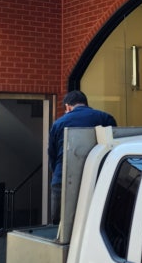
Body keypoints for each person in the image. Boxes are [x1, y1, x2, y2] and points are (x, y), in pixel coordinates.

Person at [48, 90, 116, 224]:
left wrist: (57, 172)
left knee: (60, 223)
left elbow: (52, 154)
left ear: (67, 107)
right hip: (98, 176)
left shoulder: (58, 123)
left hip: (64, 177)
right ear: (86, 104)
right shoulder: (105, 118)